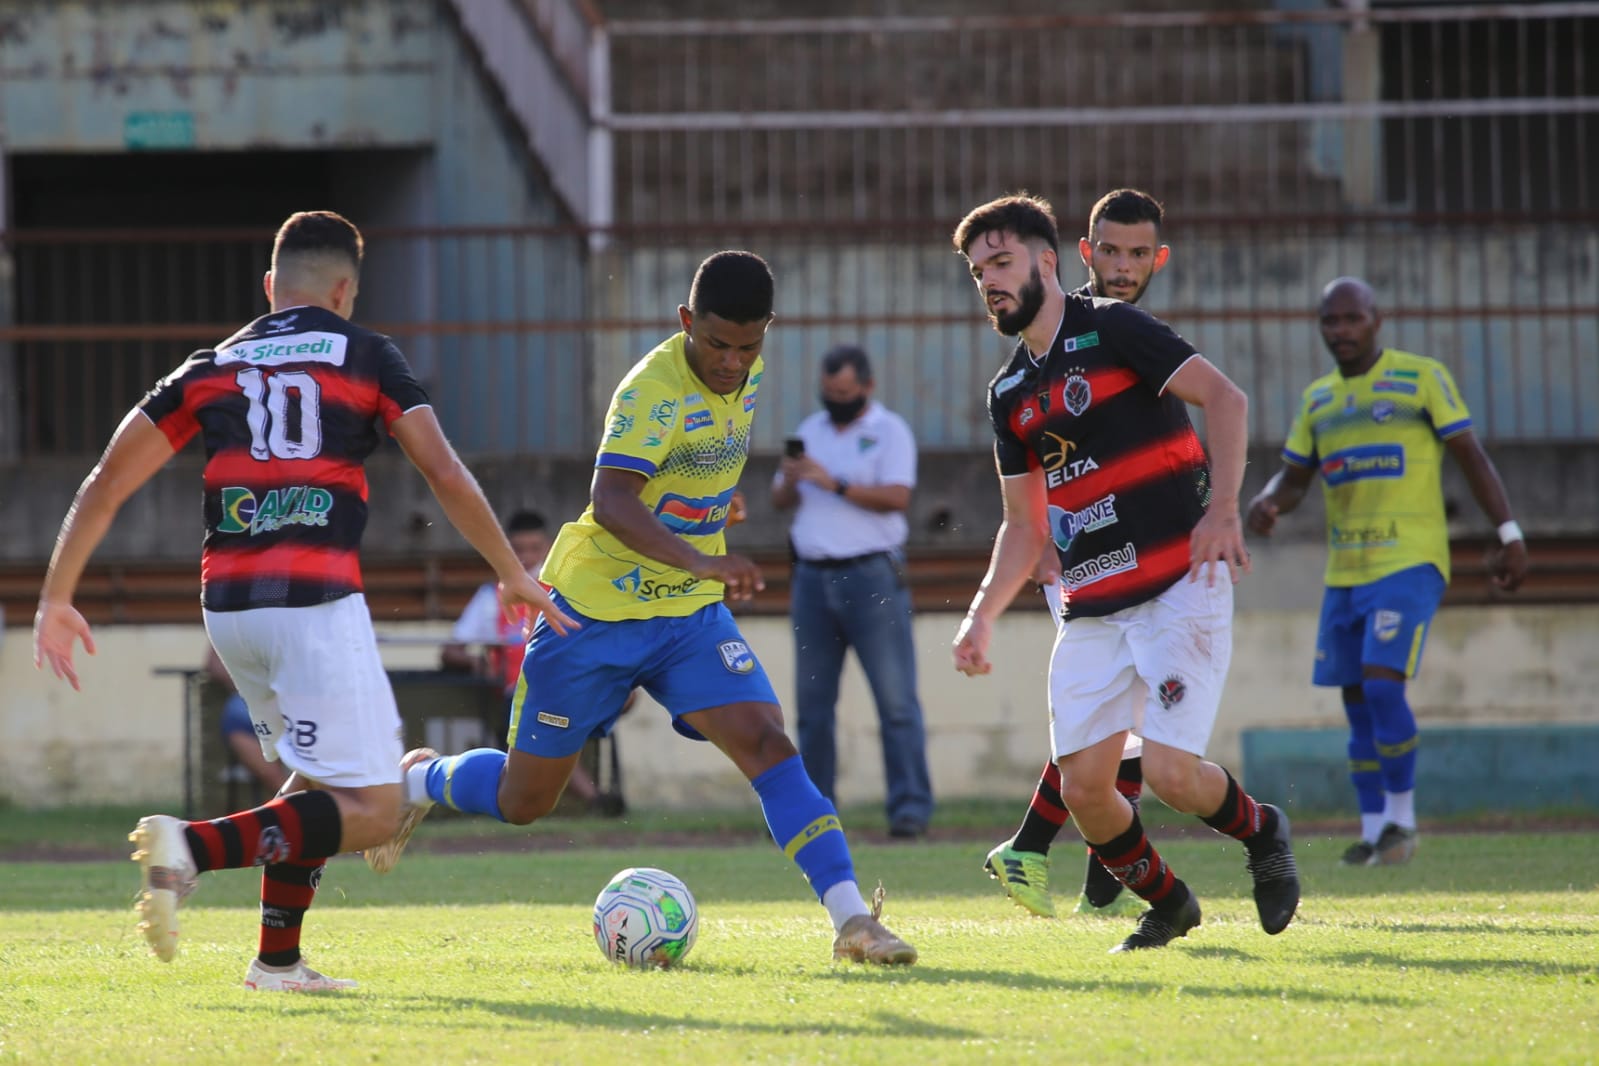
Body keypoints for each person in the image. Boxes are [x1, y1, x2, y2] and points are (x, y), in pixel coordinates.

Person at [31, 210, 574, 991]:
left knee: (317, 780)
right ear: (345, 291)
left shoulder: (212, 365)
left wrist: (57, 596)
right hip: (313, 606)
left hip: (230, 610)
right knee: (374, 811)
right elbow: (443, 471)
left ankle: (276, 962)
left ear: (270, 286)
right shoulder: (366, 354)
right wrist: (510, 571)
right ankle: (191, 846)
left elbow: (106, 482)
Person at [365, 250, 917, 965]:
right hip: (590, 616)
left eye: (748, 346)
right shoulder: (651, 391)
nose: (731, 362)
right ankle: (417, 779)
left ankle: (853, 923)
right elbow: (612, 500)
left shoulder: (745, 373)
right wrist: (702, 557)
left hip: (686, 615)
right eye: (716, 344)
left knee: (769, 745)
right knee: (524, 800)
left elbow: (693, 466)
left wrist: (715, 509)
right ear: (686, 321)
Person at [949, 192, 1301, 953]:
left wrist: (1224, 510)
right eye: (978, 272)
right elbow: (1023, 525)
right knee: (1084, 789)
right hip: (1094, 604)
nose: (989, 282)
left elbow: (1225, 398)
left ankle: (1263, 831)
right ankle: (1169, 905)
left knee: (1171, 776)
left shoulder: (1113, 328)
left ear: (1048, 261)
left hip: (1179, 581)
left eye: (1001, 263)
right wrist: (980, 616)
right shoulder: (1008, 394)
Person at [1246, 276, 1528, 866]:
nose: (1341, 330)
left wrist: (1509, 532)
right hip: (1346, 571)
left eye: (1353, 318)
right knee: (1356, 699)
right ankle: (1375, 832)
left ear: (1378, 320)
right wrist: (1269, 501)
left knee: (1381, 684)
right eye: (1331, 321)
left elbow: (1471, 455)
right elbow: (1294, 478)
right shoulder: (1318, 400)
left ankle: (1403, 820)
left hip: (1409, 560)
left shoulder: (1420, 379)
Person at [983, 188, 1172, 919]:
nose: (1123, 267)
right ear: (1082, 255)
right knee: (1110, 723)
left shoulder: (1125, 333)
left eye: (1137, 254)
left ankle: (1090, 880)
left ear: (1157, 259)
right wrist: (1040, 547)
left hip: (1140, 555)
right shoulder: (1066, 338)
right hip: (1085, 562)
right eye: (1110, 252)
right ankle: (1038, 852)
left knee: (1123, 725)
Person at [771, 344, 933, 839]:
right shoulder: (811, 430)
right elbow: (779, 499)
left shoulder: (890, 431)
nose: (835, 400)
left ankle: (909, 811)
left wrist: (834, 483)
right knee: (812, 707)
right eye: (828, 391)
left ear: (866, 387)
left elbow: (898, 497)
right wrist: (793, 479)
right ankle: (815, 815)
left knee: (896, 702)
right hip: (811, 580)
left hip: (871, 578)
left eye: (844, 392)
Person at [440, 509, 623, 816]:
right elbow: (450, 651)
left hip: (576, 682)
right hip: (521, 691)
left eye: (534, 549)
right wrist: (479, 663)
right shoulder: (493, 596)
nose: (526, 557)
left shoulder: (571, 588)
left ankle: (591, 796)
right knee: (552, 718)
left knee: (613, 698)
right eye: (518, 550)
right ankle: (594, 800)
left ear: (549, 548)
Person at [206, 644, 290, 799]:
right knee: (236, 716)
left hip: (300, 695)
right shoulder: (228, 627)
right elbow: (215, 665)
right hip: (253, 695)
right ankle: (286, 795)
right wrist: (250, 681)